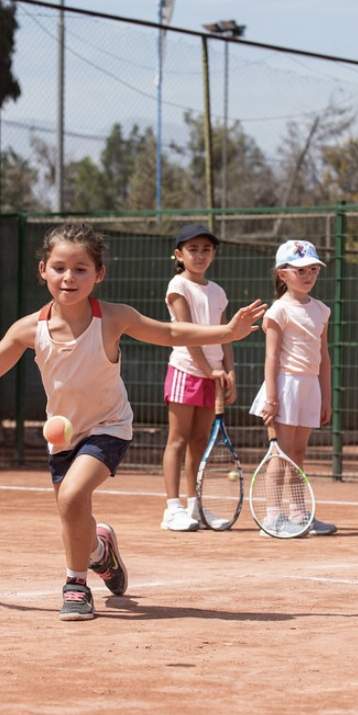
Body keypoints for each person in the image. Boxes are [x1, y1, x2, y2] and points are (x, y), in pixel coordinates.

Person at [0, 223, 266, 621]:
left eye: (81, 269)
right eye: (60, 267)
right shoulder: (28, 329)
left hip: (110, 426)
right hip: (63, 436)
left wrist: (227, 331)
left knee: (70, 498)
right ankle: (101, 553)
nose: (70, 277)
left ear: (99, 274)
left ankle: (75, 586)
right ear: (43, 271)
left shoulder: (114, 318)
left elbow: (169, 331)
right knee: (75, 518)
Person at [249, 239, 337, 537]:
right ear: (283, 273)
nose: (309, 274)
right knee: (280, 454)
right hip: (284, 387)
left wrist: (325, 396)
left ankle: (299, 515)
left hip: (309, 387)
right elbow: (271, 356)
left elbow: (324, 357)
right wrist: (272, 397)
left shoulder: (322, 310)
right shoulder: (278, 311)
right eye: (301, 270)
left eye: (313, 269)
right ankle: (273, 517)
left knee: (298, 453)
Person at [160, 223, 236, 532]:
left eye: (206, 249)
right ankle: (172, 509)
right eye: (193, 249)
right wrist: (208, 370)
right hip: (185, 372)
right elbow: (187, 334)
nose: (200, 255)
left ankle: (196, 507)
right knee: (177, 440)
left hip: (212, 375)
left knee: (199, 442)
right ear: (179, 254)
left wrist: (229, 371)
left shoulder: (217, 291)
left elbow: (225, 335)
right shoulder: (178, 286)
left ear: (214, 253)